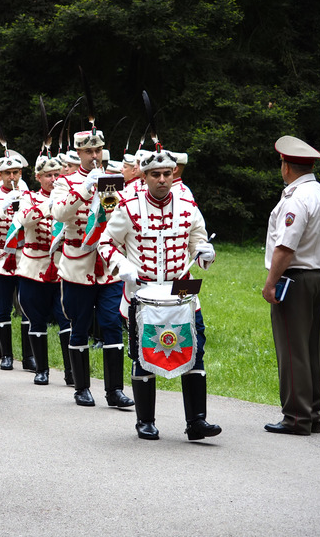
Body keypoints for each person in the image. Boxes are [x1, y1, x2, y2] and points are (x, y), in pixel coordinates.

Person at [97, 148, 220, 441]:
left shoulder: (188, 204)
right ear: (144, 175)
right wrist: (123, 266)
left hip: (183, 292)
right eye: (155, 174)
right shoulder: (126, 205)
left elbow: (198, 243)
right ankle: (146, 422)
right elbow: (105, 243)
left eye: (167, 173)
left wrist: (206, 254)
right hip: (143, 291)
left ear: (173, 173)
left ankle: (197, 422)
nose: (162, 180)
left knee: (195, 351)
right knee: (144, 355)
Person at [50, 129, 134, 409]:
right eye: (89, 151)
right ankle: (82, 387)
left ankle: (115, 391)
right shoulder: (65, 182)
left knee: (111, 324)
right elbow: (60, 213)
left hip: (108, 265)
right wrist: (86, 188)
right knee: (80, 326)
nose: (94, 156)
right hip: (77, 265)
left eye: (98, 150)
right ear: (79, 153)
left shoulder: (114, 179)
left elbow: (123, 215)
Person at [262, 135, 320, 436]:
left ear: (286, 166)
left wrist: (270, 283)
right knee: (312, 347)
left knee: (292, 348)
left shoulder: (296, 199)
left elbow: (286, 247)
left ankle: (296, 417)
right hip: (319, 276)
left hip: (296, 279)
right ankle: (313, 412)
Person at [15, 157, 70, 385]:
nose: (54, 179)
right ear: (38, 178)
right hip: (34, 266)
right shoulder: (28, 197)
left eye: (58, 175)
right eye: (49, 175)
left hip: (62, 267)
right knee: (36, 319)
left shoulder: (70, 198)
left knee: (66, 319)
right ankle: (42, 370)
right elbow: (24, 219)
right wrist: (50, 206)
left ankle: (71, 371)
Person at [0, 154, 28, 371]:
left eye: (16, 173)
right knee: (3, 308)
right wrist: (3, 205)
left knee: (28, 307)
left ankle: (29, 356)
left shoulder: (29, 195)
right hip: (0, 257)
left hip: (24, 258)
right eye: (7, 173)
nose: (12, 177)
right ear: (0, 175)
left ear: (21, 173)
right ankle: (6, 355)